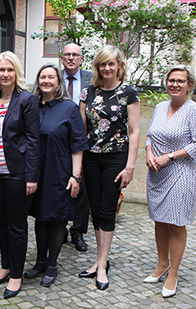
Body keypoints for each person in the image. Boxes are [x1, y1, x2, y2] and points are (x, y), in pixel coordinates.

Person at [78, 45, 140, 290]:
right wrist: (79, 164)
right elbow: (82, 131)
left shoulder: (128, 93)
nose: (106, 68)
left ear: (119, 66)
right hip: (92, 158)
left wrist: (130, 166)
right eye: (102, 64)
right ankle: (99, 259)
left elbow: (134, 132)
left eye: (111, 64)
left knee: (107, 209)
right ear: (97, 66)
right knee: (94, 209)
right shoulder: (88, 91)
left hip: (116, 158)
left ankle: (102, 264)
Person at [144, 65, 196, 298]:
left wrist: (168, 156)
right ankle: (162, 264)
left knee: (176, 222)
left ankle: (174, 273)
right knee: (159, 221)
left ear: (189, 85)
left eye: (181, 81)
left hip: (181, 172)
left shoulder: (195, 110)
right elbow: (150, 135)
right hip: (157, 172)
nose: (175, 84)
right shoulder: (160, 107)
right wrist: (149, 154)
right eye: (171, 80)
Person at [24, 64, 88, 287]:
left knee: (57, 219)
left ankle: (52, 264)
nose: (47, 81)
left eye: (51, 77)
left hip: (59, 172)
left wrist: (75, 176)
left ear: (58, 82)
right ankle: (40, 262)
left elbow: (78, 145)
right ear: (38, 80)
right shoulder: (30, 105)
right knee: (40, 218)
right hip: (35, 173)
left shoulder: (68, 108)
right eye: (43, 76)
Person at [0, 51, 40, 299]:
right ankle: (5, 266)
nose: (5, 74)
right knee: (1, 223)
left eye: (10, 70)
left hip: (17, 173)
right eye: (2, 70)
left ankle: (16, 274)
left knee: (16, 225)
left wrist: (31, 176)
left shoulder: (27, 100)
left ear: (16, 73)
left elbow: (34, 140)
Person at [61, 43, 93, 252]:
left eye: (75, 55)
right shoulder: (52, 76)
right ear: (62, 58)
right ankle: (60, 227)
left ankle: (78, 231)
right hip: (59, 140)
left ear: (81, 58)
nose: (71, 58)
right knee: (60, 185)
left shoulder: (92, 78)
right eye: (67, 55)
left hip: (85, 139)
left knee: (83, 188)